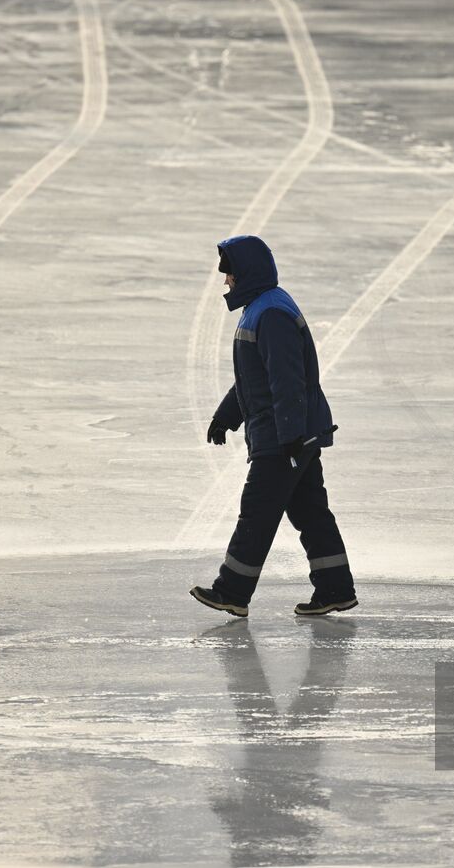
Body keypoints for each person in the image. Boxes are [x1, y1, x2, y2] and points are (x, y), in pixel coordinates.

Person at [190, 234, 357, 618]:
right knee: (312, 513)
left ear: (245, 271)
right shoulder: (260, 309)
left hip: (284, 438)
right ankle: (336, 589)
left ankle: (231, 591)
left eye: (229, 272)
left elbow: (287, 381)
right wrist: (227, 416)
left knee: (258, 513)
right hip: (290, 433)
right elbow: (256, 379)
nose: (226, 280)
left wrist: (290, 437)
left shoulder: (272, 314)